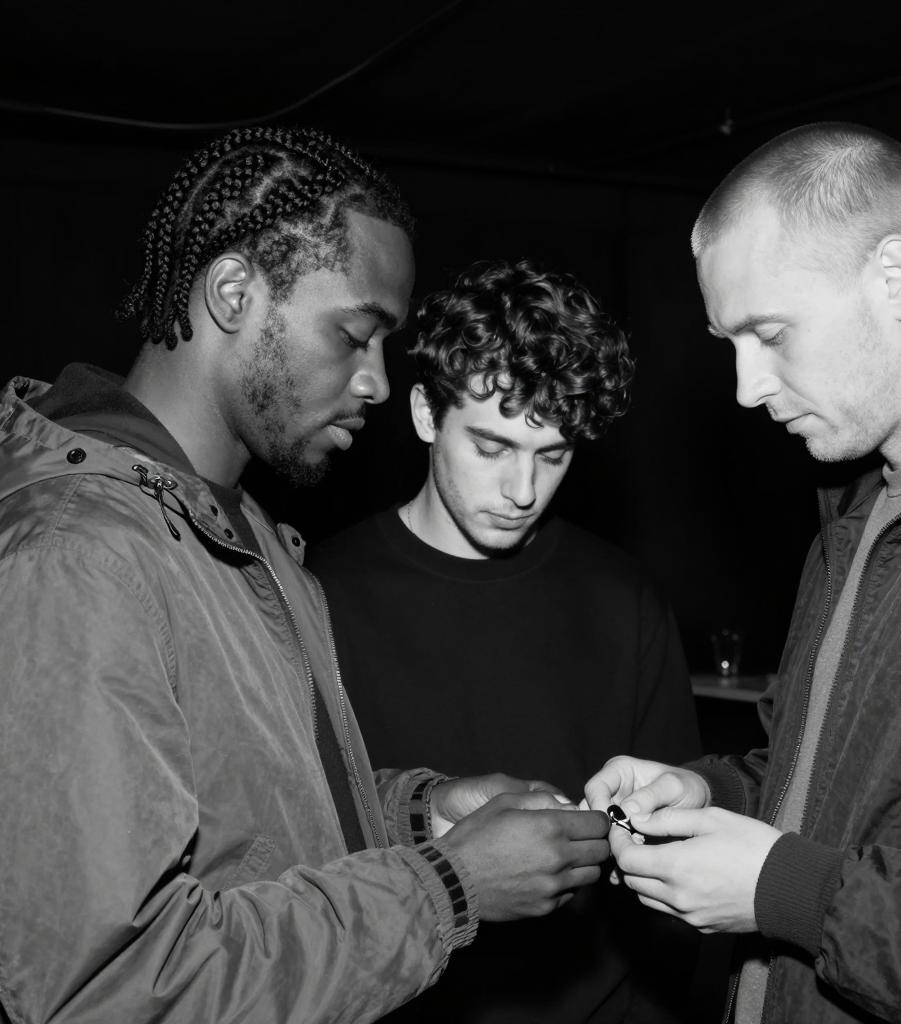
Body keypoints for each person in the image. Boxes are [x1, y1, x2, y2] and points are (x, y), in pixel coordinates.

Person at [0, 126, 612, 1024]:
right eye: (355, 336)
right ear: (235, 294)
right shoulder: (80, 558)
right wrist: (448, 885)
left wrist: (425, 818)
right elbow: (107, 990)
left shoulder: (237, 527)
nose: (376, 383)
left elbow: (254, 831)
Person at [585, 121, 901, 1024]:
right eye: (730, 342)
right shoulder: (853, 510)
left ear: (894, 279)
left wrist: (783, 891)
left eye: (770, 333)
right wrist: (707, 794)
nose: (747, 387)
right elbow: (823, 775)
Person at [308, 257, 703, 1023]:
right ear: (425, 415)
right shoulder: (315, 595)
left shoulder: (622, 597)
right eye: (491, 448)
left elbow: (675, 865)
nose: (522, 492)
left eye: (552, 455)